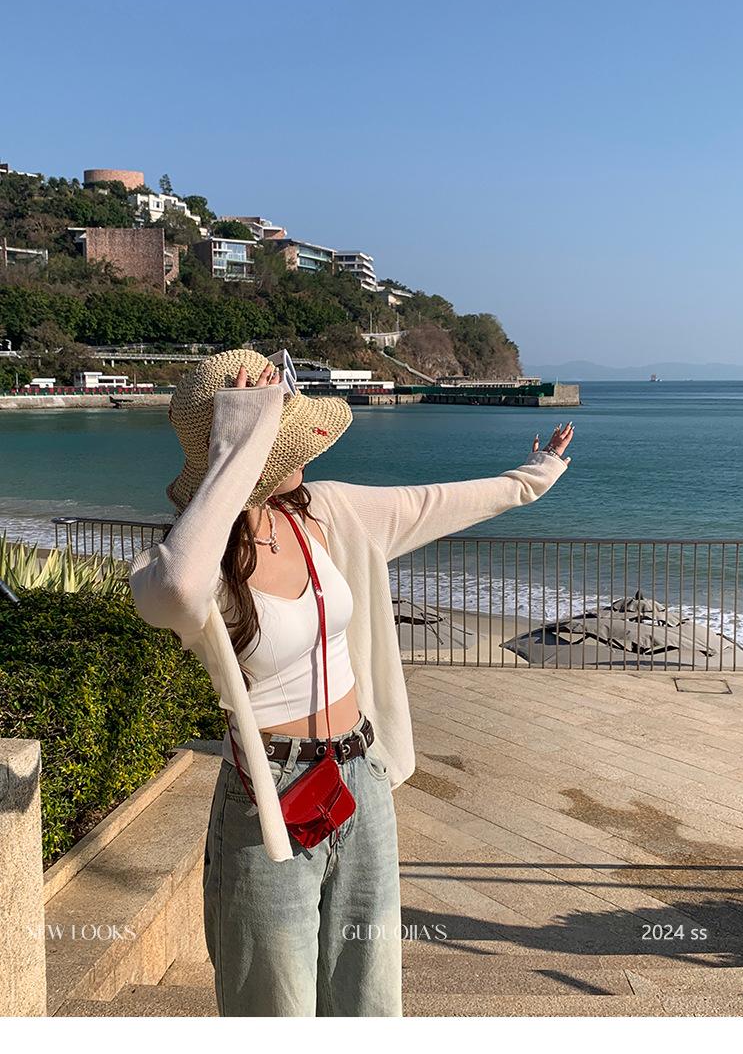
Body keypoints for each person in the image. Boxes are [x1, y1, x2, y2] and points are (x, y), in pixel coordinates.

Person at [128, 348, 574, 1017]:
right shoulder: (189, 567)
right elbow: (176, 589)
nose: (303, 446)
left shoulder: (326, 515)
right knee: (275, 1008)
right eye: (282, 431)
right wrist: (239, 446)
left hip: (358, 776)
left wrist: (535, 476)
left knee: (370, 998)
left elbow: (435, 503)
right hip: (268, 799)